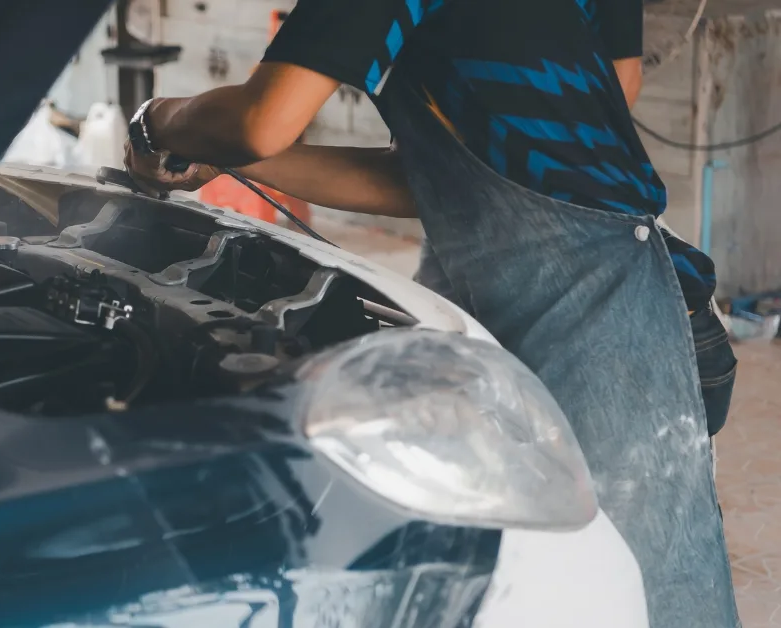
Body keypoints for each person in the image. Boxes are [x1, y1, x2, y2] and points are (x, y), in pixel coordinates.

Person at [123, 0, 740, 626]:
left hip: (613, 328)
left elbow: (261, 121)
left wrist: (161, 123)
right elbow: (438, 173)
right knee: (520, 575)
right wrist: (230, 160)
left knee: (631, 595)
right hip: (640, 292)